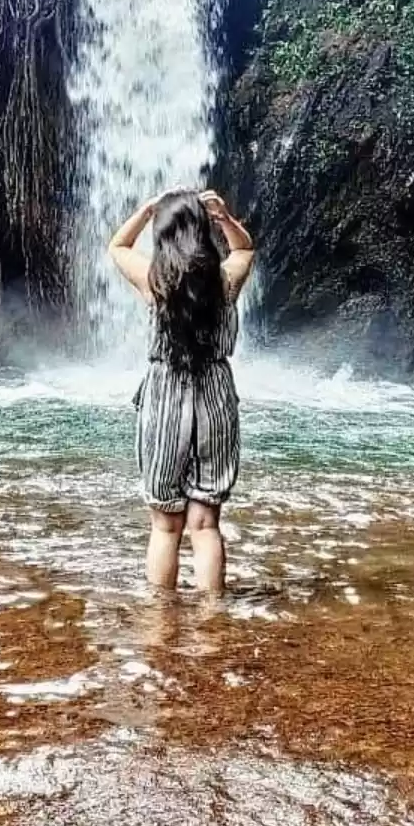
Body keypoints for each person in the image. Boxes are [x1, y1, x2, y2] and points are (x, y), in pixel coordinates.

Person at [108, 189, 255, 596]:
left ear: (163, 235)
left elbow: (117, 246)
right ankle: (212, 615)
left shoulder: (154, 281)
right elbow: (245, 249)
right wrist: (226, 218)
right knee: (205, 524)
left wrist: (145, 211)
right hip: (215, 397)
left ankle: (161, 618)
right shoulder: (225, 282)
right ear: (204, 231)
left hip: (165, 398)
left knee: (165, 525)